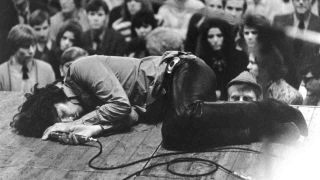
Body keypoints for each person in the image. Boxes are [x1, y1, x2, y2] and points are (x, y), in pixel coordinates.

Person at [11, 51, 307, 150]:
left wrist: (77, 123)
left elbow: (121, 106)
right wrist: (93, 129)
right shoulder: (89, 107)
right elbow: (131, 117)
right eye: (61, 123)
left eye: (60, 115)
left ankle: (268, 108)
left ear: (57, 96)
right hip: (170, 102)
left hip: (184, 70)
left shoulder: (80, 68)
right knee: (173, 137)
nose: (66, 121)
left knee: (187, 114)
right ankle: (263, 131)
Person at [195, 18, 248, 100]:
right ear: (205, 39)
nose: (215, 40)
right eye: (211, 36)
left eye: (219, 36)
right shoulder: (201, 60)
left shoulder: (240, 57)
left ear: (225, 36)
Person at [273, 0, 320, 89]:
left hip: (310, 83)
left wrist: (313, 73)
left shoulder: (318, 24)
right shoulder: (279, 21)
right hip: (282, 83)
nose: (301, 2)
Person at [0, 24, 55, 92]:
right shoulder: (1, 73)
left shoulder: (46, 70)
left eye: (33, 45)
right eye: (26, 46)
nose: (31, 51)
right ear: (14, 48)